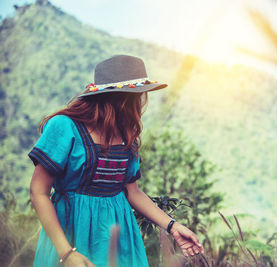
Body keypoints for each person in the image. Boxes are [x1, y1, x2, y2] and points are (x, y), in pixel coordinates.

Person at [29, 55, 204, 267]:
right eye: (135, 96)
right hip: (72, 231)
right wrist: (66, 253)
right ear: (118, 98)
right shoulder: (64, 126)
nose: (139, 103)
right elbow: (38, 192)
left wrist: (172, 226)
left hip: (119, 236)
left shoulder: (125, 133)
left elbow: (132, 192)